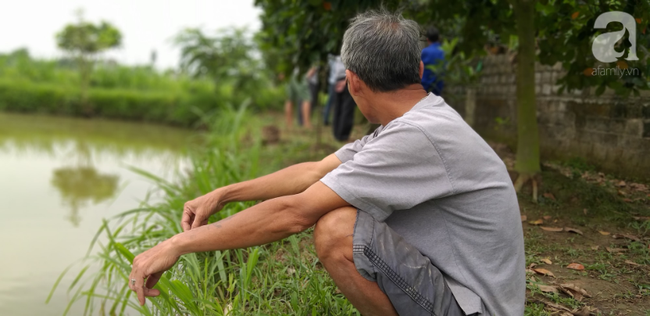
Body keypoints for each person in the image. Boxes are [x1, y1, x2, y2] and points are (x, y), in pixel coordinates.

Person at [127, 10, 525, 316]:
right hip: (462, 289)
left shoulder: (417, 136)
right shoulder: (416, 121)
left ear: (351, 81)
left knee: (338, 228)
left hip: (474, 306)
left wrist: (177, 244)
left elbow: (293, 213)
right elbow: (316, 170)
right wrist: (225, 194)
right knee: (339, 215)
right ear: (418, 70)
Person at [330, 56, 356, 141]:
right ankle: (343, 135)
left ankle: (337, 133)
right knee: (347, 109)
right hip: (347, 78)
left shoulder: (337, 56)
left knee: (338, 108)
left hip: (337, 79)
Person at [421, 26, 445, 95]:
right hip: (439, 86)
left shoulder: (425, 52)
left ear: (428, 40)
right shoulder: (444, 51)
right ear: (439, 38)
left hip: (425, 87)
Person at [322, 54, 345, 125]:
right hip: (335, 81)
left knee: (331, 102)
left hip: (333, 81)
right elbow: (338, 71)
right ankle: (328, 119)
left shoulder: (330, 57)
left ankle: (329, 119)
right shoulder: (336, 58)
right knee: (334, 102)